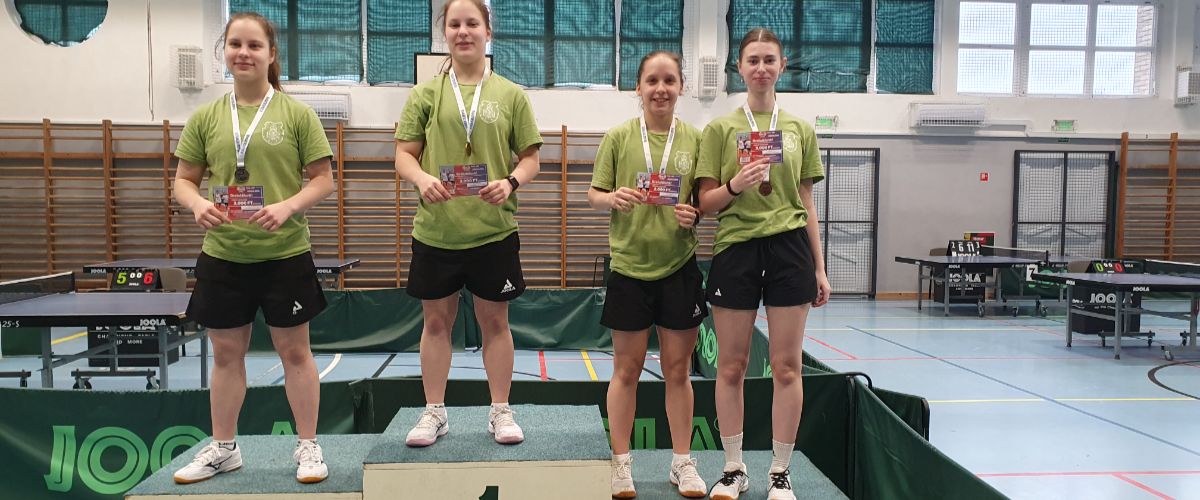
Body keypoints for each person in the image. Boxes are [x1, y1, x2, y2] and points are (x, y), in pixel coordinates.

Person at [171, 12, 335, 485]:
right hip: (224, 256)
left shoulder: (296, 115)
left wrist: (287, 206)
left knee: (295, 353)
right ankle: (224, 448)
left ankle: (308, 445)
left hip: (285, 255)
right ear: (224, 52)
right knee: (226, 355)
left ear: (271, 54)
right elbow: (183, 181)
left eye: (254, 45)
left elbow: (323, 180)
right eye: (235, 44)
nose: (243, 53)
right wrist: (197, 204)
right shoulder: (206, 117)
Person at [393, 0, 542, 447]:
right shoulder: (425, 95)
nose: (463, 31)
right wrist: (421, 179)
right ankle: (434, 412)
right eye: (454, 24)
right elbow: (403, 155)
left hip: (493, 232)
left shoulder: (511, 95)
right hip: (437, 232)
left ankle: (500, 410)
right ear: (445, 33)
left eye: (472, 23)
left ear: (487, 31)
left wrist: (510, 182)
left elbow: (531, 158)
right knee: (436, 324)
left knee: (495, 323)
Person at [694, 28, 831, 500]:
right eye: (752, 60)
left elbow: (807, 201)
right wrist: (736, 184)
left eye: (769, 60)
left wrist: (819, 267)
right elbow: (705, 202)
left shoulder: (800, 130)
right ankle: (733, 469)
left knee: (787, 367)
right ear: (739, 67)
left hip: (790, 250)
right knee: (731, 366)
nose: (760, 68)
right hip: (736, 249)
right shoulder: (719, 130)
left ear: (782, 65)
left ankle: (779, 472)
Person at [588, 51, 707, 499]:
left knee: (678, 371)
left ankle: (682, 462)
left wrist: (695, 214)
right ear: (638, 87)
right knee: (626, 370)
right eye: (652, 81)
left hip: (679, 269)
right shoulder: (619, 137)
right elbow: (593, 193)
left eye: (669, 80)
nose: (661, 89)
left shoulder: (695, 139)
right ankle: (621, 463)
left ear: (681, 87)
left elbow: (705, 200)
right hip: (629, 269)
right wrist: (612, 198)